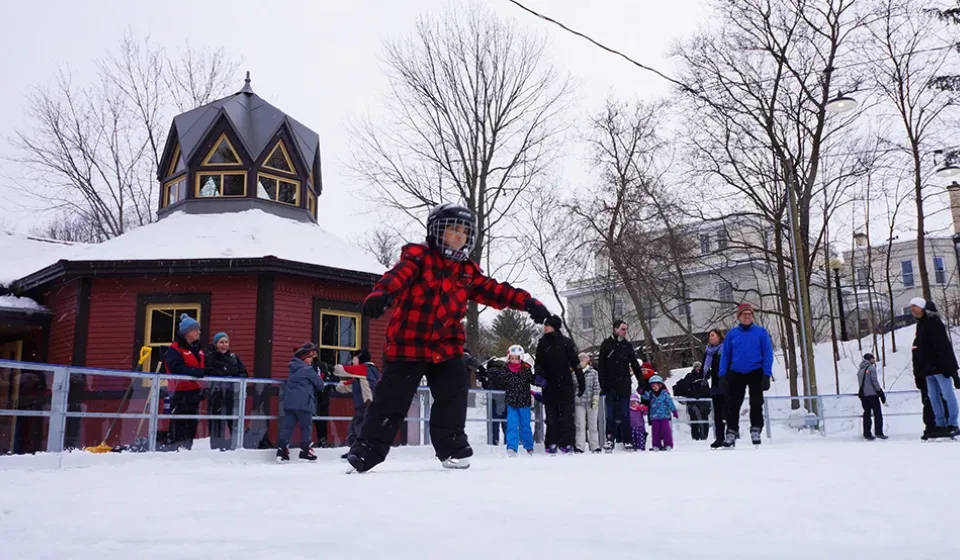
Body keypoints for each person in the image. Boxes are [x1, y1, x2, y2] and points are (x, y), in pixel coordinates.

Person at [346, 203, 551, 473]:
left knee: (454, 392)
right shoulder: (419, 258)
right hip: (409, 344)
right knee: (391, 400)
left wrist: (529, 304)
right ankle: (367, 450)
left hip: (446, 346)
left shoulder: (466, 271)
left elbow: (496, 291)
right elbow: (397, 276)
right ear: (436, 232)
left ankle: (451, 446)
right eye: (452, 230)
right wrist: (381, 294)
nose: (458, 237)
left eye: (464, 232)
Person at [719, 302, 773, 448]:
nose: (748, 316)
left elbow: (768, 353)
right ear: (739, 317)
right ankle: (731, 432)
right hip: (736, 372)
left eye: (750, 314)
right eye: (745, 314)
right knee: (733, 403)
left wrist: (766, 374)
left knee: (756, 402)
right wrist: (722, 374)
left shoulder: (761, 332)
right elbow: (725, 355)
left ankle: (756, 429)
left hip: (756, 370)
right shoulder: (732, 334)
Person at [910, 298, 960, 438]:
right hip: (928, 369)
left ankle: (953, 424)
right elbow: (918, 350)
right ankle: (940, 424)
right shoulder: (921, 325)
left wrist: (952, 370)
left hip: (940, 367)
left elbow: (943, 346)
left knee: (947, 394)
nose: (912, 309)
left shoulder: (933, 323)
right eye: (911, 307)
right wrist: (920, 371)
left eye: (915, 306)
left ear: (922, 307)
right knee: (933, 397)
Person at [535, 315, 584, 454]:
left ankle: (567, 442)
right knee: (551, 415)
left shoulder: (566, 343)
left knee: (566, 415)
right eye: (545, 325)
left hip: (565, 384)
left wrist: (581, 381)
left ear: (554, 326)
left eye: (547, 325)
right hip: (549, 384)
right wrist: (538, 375)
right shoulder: (542, 343)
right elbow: (538, 362)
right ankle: (551, 442)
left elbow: (575, 363)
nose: (545, 327)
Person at [597, 319, 646, 451]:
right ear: (615, 329)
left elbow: (635, 364)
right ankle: (609, 439)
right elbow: (601, 367)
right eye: (623, 329)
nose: (625, 332)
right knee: (610, 415)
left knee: (625, 414)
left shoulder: (627, 346)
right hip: (610, 386)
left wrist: (641, 382)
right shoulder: (606, 345)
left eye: (626, 329)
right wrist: (603, 385)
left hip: (624, 385)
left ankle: (627, 440)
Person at [163, 313, 205, 451]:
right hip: (179, 392)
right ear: (188, 332)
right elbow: (177, 368)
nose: (199, 332)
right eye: (196, 329)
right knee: (179, 421)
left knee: (191, 422)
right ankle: (174, 449)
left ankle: (187, 448)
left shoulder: (197, 349)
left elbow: (206, 367)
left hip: (195, 392)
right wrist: (196, 372)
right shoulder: (174, 349)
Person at [277, 343, 324, 462]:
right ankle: (305, 451)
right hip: (304, 403)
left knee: (287, 427)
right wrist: (318, 374)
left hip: (290, 402)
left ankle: (281, 451)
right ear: (303, 358)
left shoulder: (292, 368)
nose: (311, 360)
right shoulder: (307, 369)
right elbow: (320, 384)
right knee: (306, 427)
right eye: (309, 357)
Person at [486, 345, 535, 456]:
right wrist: (489, 373)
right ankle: (512, 447)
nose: (514, 361)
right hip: (511, 402)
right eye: (512, 358)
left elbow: (533, 380)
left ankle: (529, 446)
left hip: (524, 402)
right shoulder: (505, 369)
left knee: (525, 425)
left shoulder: (526, 369)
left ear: (520, 358)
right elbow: (497, 378)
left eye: (516, 358)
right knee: (512, 425)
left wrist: (540, 378)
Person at [205, 332, 248, 451]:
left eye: (226, 342)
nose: (224, 345)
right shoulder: (210, 357)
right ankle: (216, 447)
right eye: (221, 342)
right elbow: (207, 372)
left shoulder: (234, 358)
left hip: (232, 395)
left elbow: (244, 373)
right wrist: (223, 376)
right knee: (217, 422)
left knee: (233, 421)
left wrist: (235, 379)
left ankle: (234, 447)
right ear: (216, 344)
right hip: (216, 395)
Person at [333, 349, 381, 454]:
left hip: (367, 404)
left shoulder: (364, 369)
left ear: (359, 358)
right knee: (354, 429)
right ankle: (355, 450)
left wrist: (330, 368)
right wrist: (335, 387)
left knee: (360, 428)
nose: (352, 361)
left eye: (354, 358)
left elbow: (342, 370)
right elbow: (349, 385)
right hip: (366, 405)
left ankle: (362, 451)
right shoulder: (366, 373)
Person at [673, 361, 711, 441]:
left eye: (700, 367)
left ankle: (703, 438)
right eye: (697, 367)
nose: (698, 369)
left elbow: (707, 390)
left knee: (704, 421)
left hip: (704, 404)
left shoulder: (704, 377)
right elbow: (685, 388)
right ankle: (696, 438)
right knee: (695, 421)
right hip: (693, 403)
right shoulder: (690, 377)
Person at [574, 352, 602, 453]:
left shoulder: (593, 373)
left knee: (593, 425)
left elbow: (596, 386)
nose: (581, 362)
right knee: (580, 425)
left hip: (591, 402)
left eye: (583, 360)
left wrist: (595, 399)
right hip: (579, 402)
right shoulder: (575, 373)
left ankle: (595, 446)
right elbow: (573, 387)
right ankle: (580, 446)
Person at [703, 329, 726, 449]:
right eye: (709, 336)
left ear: (718, 337)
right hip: (716, 385)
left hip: (726, 384)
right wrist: (706, 374)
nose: (711, 338)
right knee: (717, 414)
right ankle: (719, 437)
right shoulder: (708, 352)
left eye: (713, 335)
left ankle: (729, 436)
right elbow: (704, 368)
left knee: (727, 413)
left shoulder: (725, 349)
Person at [856, 353, 886, 441]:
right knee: (877, 414)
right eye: (873, 358)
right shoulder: (871, 368)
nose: (874, 360)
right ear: (869, 359)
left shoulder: (860, 370)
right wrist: (880, 391)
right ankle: (879, 432)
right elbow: (874, 381)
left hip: (864, 395)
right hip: (872, 394)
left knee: (867, 414)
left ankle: (867, 433)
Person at [644, 375, 678, 451]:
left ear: (660, 385)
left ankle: (668, 444)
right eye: (653, 386)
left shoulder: (664, 394)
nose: (654, 388)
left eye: (656, 386)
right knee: (655, 432)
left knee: (666, 431)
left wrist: (674, 410)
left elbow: (670, 402)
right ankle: (656, 445)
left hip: (664, 416)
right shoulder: (651, 394)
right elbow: (645, 396)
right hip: (655, 417)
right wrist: (642, 392)